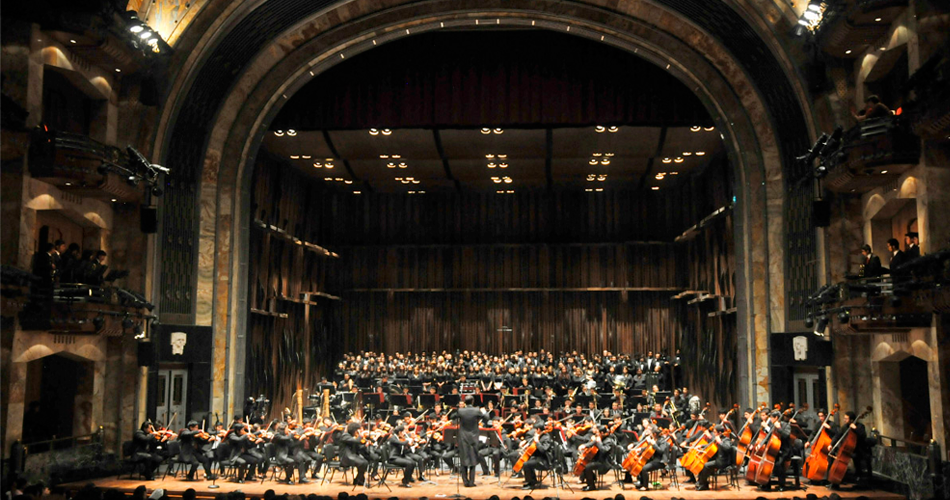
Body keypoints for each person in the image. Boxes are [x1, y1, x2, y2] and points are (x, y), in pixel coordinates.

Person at [457, 395, 488, 487]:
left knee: (463, 459)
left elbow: (455, 417)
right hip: (473, 437)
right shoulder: (476, 410)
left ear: (465, 402)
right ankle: (471, 482)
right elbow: (486, 418)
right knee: (473, 458)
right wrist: (483, 411)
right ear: (473, 401)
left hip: (463, 437)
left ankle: (465, 482)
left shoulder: (460, 410)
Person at [696, 425, 734, 491]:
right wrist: (701, 446)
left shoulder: (726, 439)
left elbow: (728, 448)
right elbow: (710, 445)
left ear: (719, 433)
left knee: (706, 465)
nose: (713, 433)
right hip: (717, 459)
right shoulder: (716, 438)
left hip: (723, 461)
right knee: (702, 462)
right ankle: (701, 482)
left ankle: (703, 484)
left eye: (715, 432)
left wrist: (720, 442)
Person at [578, 425, 614, 491]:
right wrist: (584, 445)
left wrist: (599, 442)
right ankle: (590, 482)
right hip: (598, 460)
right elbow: (592, 443)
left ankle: (592, 486)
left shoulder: (609, 441)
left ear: (602, 433)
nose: (596, 434)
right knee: (583, 464)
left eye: (597, 432)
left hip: (604, 462)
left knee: (587, 467)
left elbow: (604, 450)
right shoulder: (599, 437)